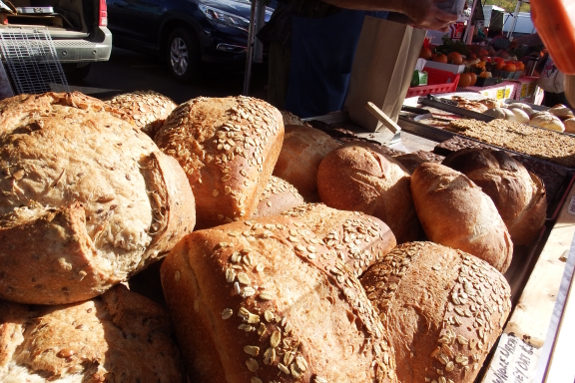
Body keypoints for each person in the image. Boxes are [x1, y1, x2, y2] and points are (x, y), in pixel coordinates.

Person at [258, 0, 458, 118]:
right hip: (305, 43)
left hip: (343, 52)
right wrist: (404, 4)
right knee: (293, 138)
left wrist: (413, 17)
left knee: (326, 132)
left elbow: (373, 11)